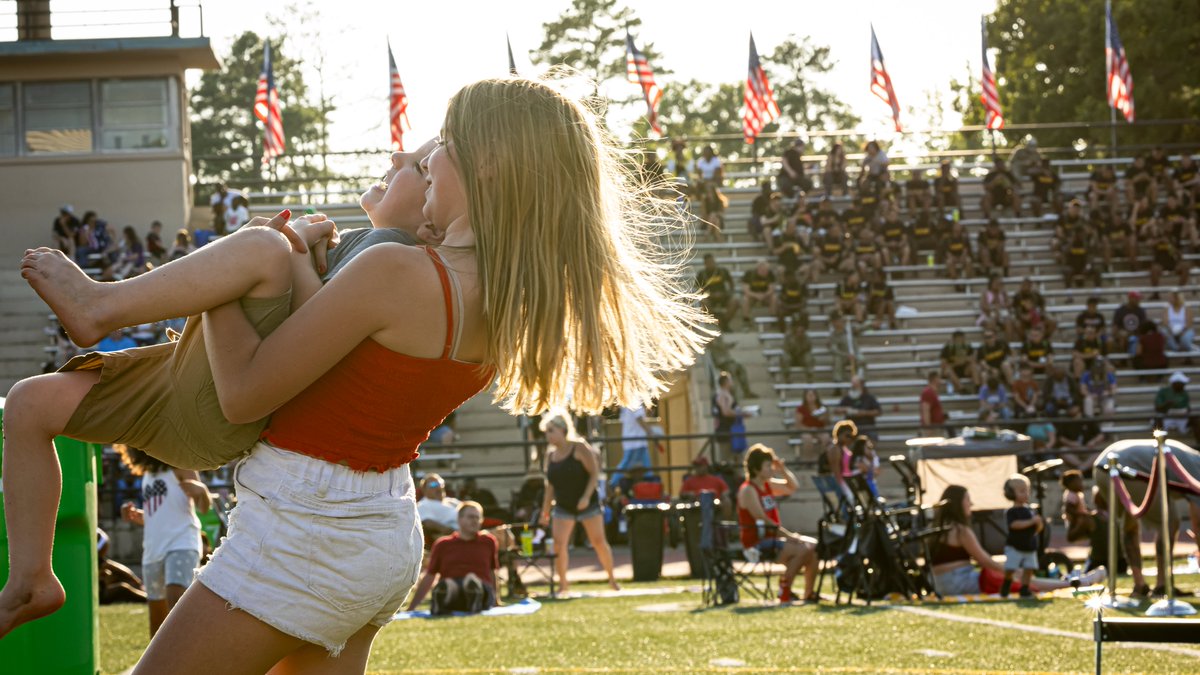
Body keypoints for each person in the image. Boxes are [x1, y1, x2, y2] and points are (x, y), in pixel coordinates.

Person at [6, 78, 708, 669]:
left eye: (448, 143)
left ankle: (97, 307)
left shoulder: (402, 269)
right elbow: (344, 348)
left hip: (308, 522)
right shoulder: (500, 297)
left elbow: (246, 389)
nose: (432, 158)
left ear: (489, 164)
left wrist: (224, 285)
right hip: (379, 533)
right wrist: (285, 271)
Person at [929, 485, 1104, 598]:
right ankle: (1075, 583)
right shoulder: (961, 530)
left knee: (1014, 572)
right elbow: (984, 561)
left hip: (941, 583)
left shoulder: (938, 527)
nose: (971, 504)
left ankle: (1071, 581)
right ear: (958, 504)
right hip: (958, 582)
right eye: (968, 500)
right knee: (1015, 577)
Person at [117, 445, 211, 637]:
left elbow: (203, 507)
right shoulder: (148, 475)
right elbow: (157, 516)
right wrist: (137, 516)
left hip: (182, 544)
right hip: (153, 550)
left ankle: (188, 658)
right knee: (156, 617)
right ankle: (160, 664)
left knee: (176, 603)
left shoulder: (180, 465)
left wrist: (201, 491)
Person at [538, 410, 620, 594]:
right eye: (546, 431)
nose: (548, 435)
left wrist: (585, 497)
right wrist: (545, 511)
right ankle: (563, 585)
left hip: (587, 504)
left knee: (598, 541)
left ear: (562, 429)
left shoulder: (579, 447)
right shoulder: (550, 455)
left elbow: (594, 473)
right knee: (559, 545)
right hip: (563, 506)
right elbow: (550, 486)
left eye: (551, 430)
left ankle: (612, 579)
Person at [736, 444, 818, 603]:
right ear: (756, 469)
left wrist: (782, 469)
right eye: (768, 466)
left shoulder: (767, 484)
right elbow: (764, 521)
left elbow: (792, 487)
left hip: (774, 537)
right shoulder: (748, 490)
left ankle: (809, 594)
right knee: (803, 549)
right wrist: (790, 536)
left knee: (814, 547)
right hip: (757, 542)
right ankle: (784, 590)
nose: (771, 469)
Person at [407, 501, 499, 615]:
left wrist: (496, 601)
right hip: (455, 590)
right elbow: (430, 575)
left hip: (482, 589)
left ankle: (473, 592)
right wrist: (412, 607)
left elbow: (492, 572)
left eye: (478, 517)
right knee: (450, 586)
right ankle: (445, 595)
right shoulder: (443, 544)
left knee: (472, 582)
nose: (475, 520)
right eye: (471, 517)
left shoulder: (488, 541)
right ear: (459, 519)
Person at [1000, 474, 1042, 599]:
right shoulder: (1011, 511)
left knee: (1029, 568)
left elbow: (1037, 529)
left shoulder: (1030, 510)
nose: (1026, 494)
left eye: (1027, 490)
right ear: (1011, 494)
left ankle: (1024, 588)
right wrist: (1031, 522)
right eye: (1022, 491)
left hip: (1029, 545)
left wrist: (1039, 524)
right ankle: (1007, 582)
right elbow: (1014, 525)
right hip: (1015, 546)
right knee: (1011, 568)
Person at [610, 404, 655, 488]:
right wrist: (650, 432)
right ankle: (613, 484)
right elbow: (639, 418)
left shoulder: (628, 403)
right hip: (636, 441)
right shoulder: (636, 400)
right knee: (629, 464)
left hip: (633, 440)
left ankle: (651, 485)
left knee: (644, 465)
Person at [695, 254, 737, 331]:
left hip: (723, 296)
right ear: (705, 264)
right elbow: (698, 289)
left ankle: (723, 323)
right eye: (708, 262)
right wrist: (709, 295)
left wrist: (728, 293)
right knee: (704, 302)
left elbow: (731, 284)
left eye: (712, 261)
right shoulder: (701, 274)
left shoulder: (723, 271)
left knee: (735, 301)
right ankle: (719, 323)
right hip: (710, 297)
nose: (710, 264)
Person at [1155, 371, 1200, 443]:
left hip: (1182, 417)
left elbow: (1188, 407)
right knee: (1157, 422)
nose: (1184, 385)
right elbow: (1158, 408)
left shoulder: (1184, 393)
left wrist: (1186, 410)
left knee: (1196, 419)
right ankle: (1160, 444)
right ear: (1175, 384)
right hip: (1167, 417)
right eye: (1182, 384)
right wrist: (1167, 404)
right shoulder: (1163, 392)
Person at [417, 473, 462, 542]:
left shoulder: (452, 501)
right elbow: (428, 523)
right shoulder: (422, 505)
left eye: (440, 483)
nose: (439, 487)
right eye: (433, 485)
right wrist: (455, 533)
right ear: (424, 490)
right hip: (457, 536)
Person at [835, 376, 882, 440]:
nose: (854, 386)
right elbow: (837, 410)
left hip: (867, 426)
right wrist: (845, 409)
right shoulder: (847, 398)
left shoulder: (869, 397)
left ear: (861, 385)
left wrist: (864, 413)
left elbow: (878, 411)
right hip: (850, 427)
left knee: (872, 436)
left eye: (856, 384)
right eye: (853, 384)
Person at [793, 389, 829, 459]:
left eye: (812, 395)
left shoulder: (822, 408)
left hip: (820, 430)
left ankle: (822, 459)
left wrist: (824, 418)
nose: (811, 397)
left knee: (826, 437)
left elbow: (827, 422)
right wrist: (809, 429)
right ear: (805, 397)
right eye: (809, 395)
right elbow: (798, 424)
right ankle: (808, 461)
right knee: (807, 438)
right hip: (806, 430)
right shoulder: (801, 408)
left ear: (816, 396)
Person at [940, 330, 980, 394]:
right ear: (954, 339)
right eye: (959, 339)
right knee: (948, 370)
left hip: (964, 370)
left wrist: (965, 360)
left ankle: (977, 386)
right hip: (953, 370)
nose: (961, 341)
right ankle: (961, 388)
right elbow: (943, 364)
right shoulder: (947, 348)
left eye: (962, 339)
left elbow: (973, 359)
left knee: (974, 366)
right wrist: (956, 363)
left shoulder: (967, 347)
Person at [1060, 470, 1094, 543]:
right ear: (1070, 484)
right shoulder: (1071, 494)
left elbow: (1082, 506)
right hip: (1075, 519)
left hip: (1079, 517)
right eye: (1079, 482)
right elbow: (1068, 508)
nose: (1082, 484)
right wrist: (1081, 514)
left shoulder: (1076, 493)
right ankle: (1072, 536)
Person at [920, 371, 948, 437]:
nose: (941, 381)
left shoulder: (932, 392)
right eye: (939, 378)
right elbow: (925, 411)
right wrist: (928, 429)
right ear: (935, 379)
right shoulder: (928, 392)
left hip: (936, 427)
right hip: (933, 428)